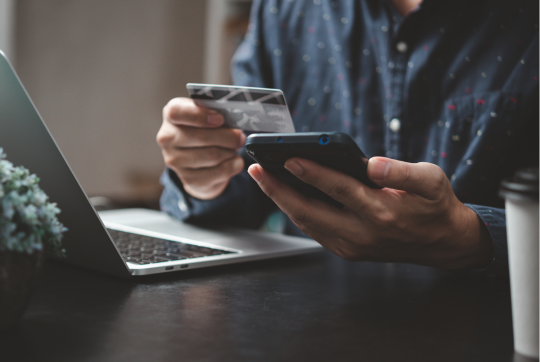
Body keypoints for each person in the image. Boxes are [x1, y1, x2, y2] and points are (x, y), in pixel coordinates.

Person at [156, 0, 538, 275]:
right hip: (307, 327)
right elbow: (247, 182)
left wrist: (474, 238)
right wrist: (202, 175)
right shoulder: (285, 9)